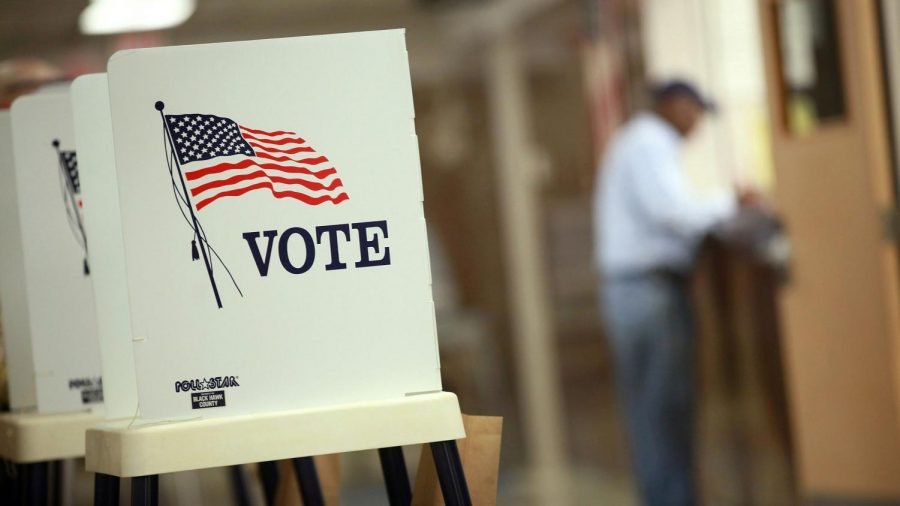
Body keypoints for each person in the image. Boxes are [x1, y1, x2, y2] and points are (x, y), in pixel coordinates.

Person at [593, 80, 756, 506]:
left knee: (652, 416)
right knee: (663, 415)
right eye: (693, 110)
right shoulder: (649, 141)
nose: (697, 121)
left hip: (637, 293)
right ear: (669, 105)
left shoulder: (637, 141)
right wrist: (732, 202)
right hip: (648, 293)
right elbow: (674, 212)